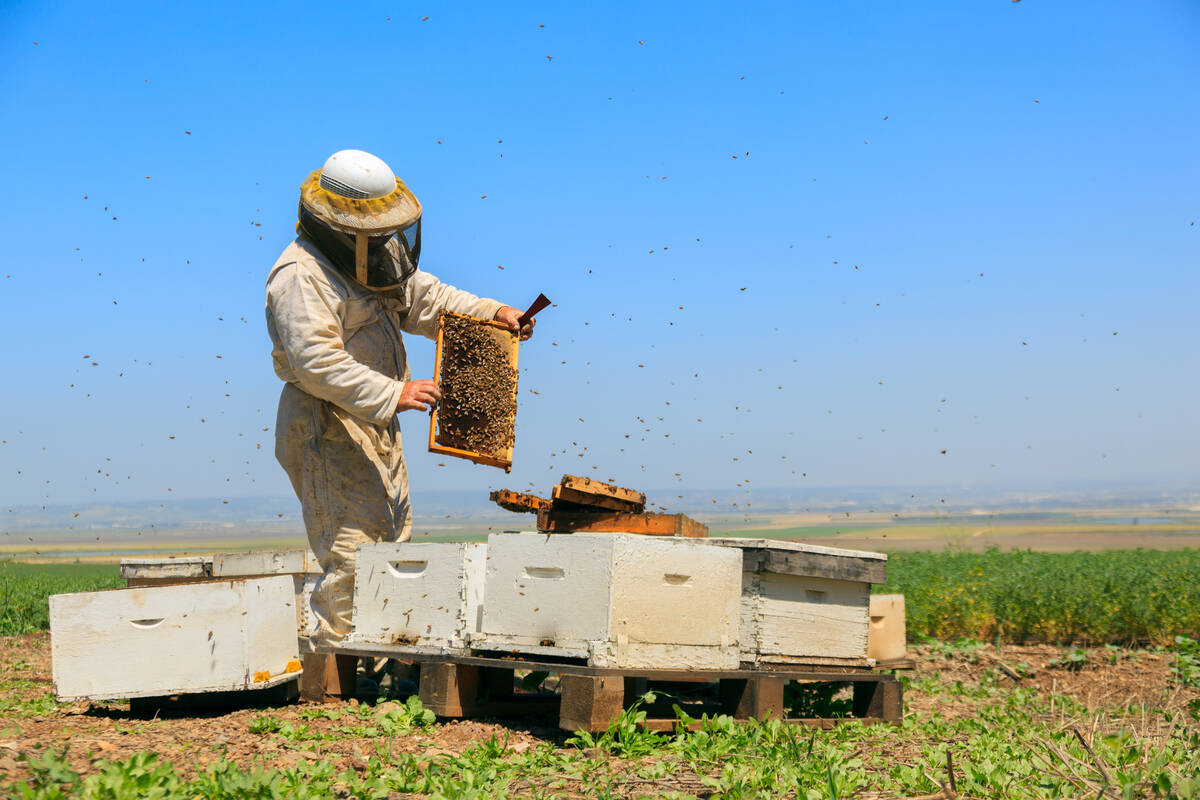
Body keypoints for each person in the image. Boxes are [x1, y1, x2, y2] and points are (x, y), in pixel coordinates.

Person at [266, 149, 534, 648]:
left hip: (374, 423)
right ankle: (337, 670)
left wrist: (492, 312)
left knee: (390, 545)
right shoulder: (301, 275)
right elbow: (316, 363)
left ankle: (376, 661)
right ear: (341, 229)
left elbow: (426, 298)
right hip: (326, 424)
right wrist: (395, 391)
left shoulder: (370, 255)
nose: (386, 242)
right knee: (350, 552)